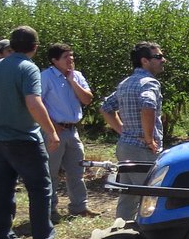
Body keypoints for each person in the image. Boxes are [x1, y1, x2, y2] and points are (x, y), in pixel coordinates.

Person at [0, 26, 76, 239]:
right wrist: (50, 131)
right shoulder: (28, 68)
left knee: (1, 190)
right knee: (40, 189)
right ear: (35, 47)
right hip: (24, 139)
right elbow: (33, 103)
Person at [100, 42, 166, 220]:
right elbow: (148, 105)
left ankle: (120, 232)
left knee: (128, 196)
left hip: (126, 146)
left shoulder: (126, 83)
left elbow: (105, 107)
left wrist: (123, 131)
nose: (163, 60)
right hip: (142, 150)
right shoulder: (149, 82)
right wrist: (149, 138)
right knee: (150, 196)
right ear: (145, 61)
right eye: (158, 57)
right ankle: (145, 237)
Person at [41, 43, 100, 221]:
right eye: (66, 57)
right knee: (50, 172)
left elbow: (87, 99)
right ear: (54, 60)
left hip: (72, 131)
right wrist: (51, 125)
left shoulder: (77, 76)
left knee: (76, 170)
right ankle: (49, 211)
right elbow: (37, 103)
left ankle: (79, 207)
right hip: (54, 131)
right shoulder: (45, 77)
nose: (71, 59)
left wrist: (72, 80)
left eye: (72, 56)